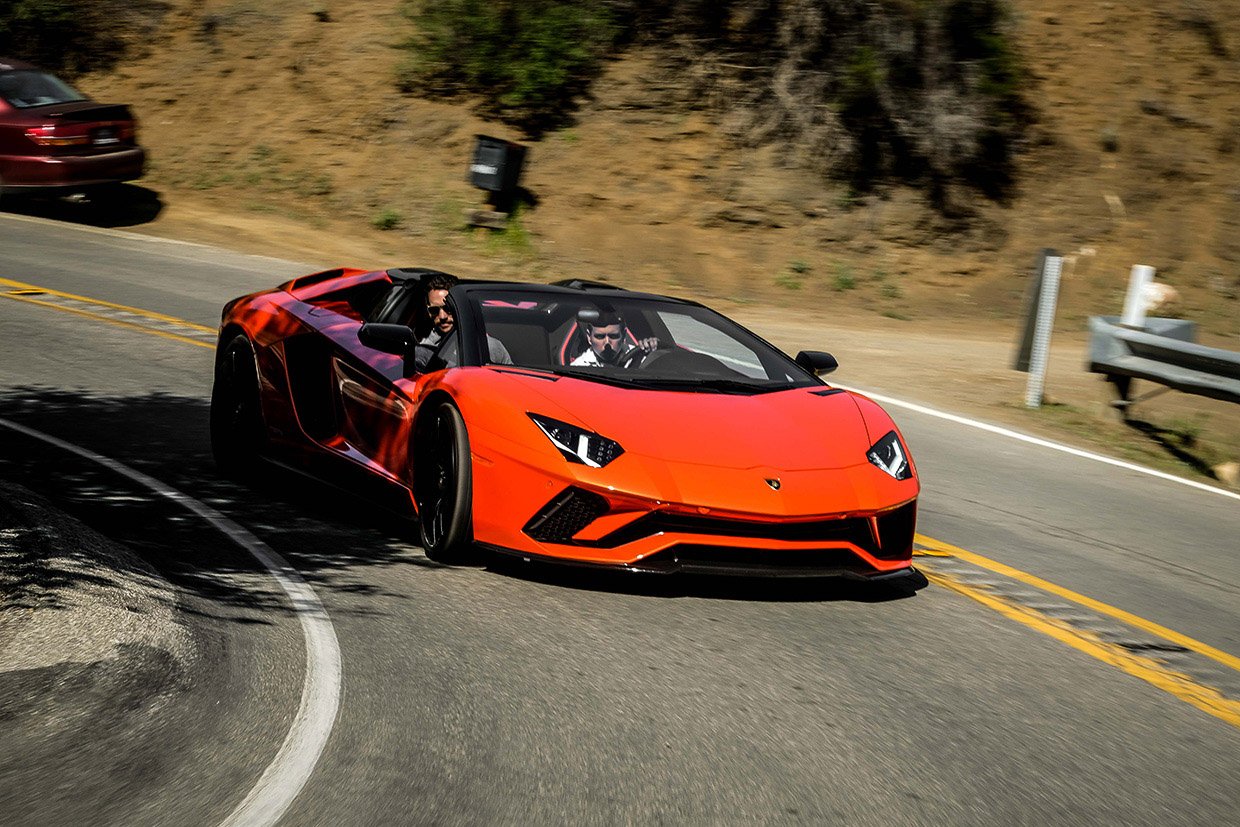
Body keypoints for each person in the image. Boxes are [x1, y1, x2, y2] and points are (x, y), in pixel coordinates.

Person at [417, 273, 512, 368]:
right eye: (434, 310)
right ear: (428, 311)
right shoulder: (422, 349)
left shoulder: (489, 347)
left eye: (448, 308)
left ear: (461, 307)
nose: (442, 316)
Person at [570, 307, 658, 367]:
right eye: (600, 337)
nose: (607, 342)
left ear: (623, 335)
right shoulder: (579, 367)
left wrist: (654, 353)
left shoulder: (641, 357)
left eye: (613, 336)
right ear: (589, 337)